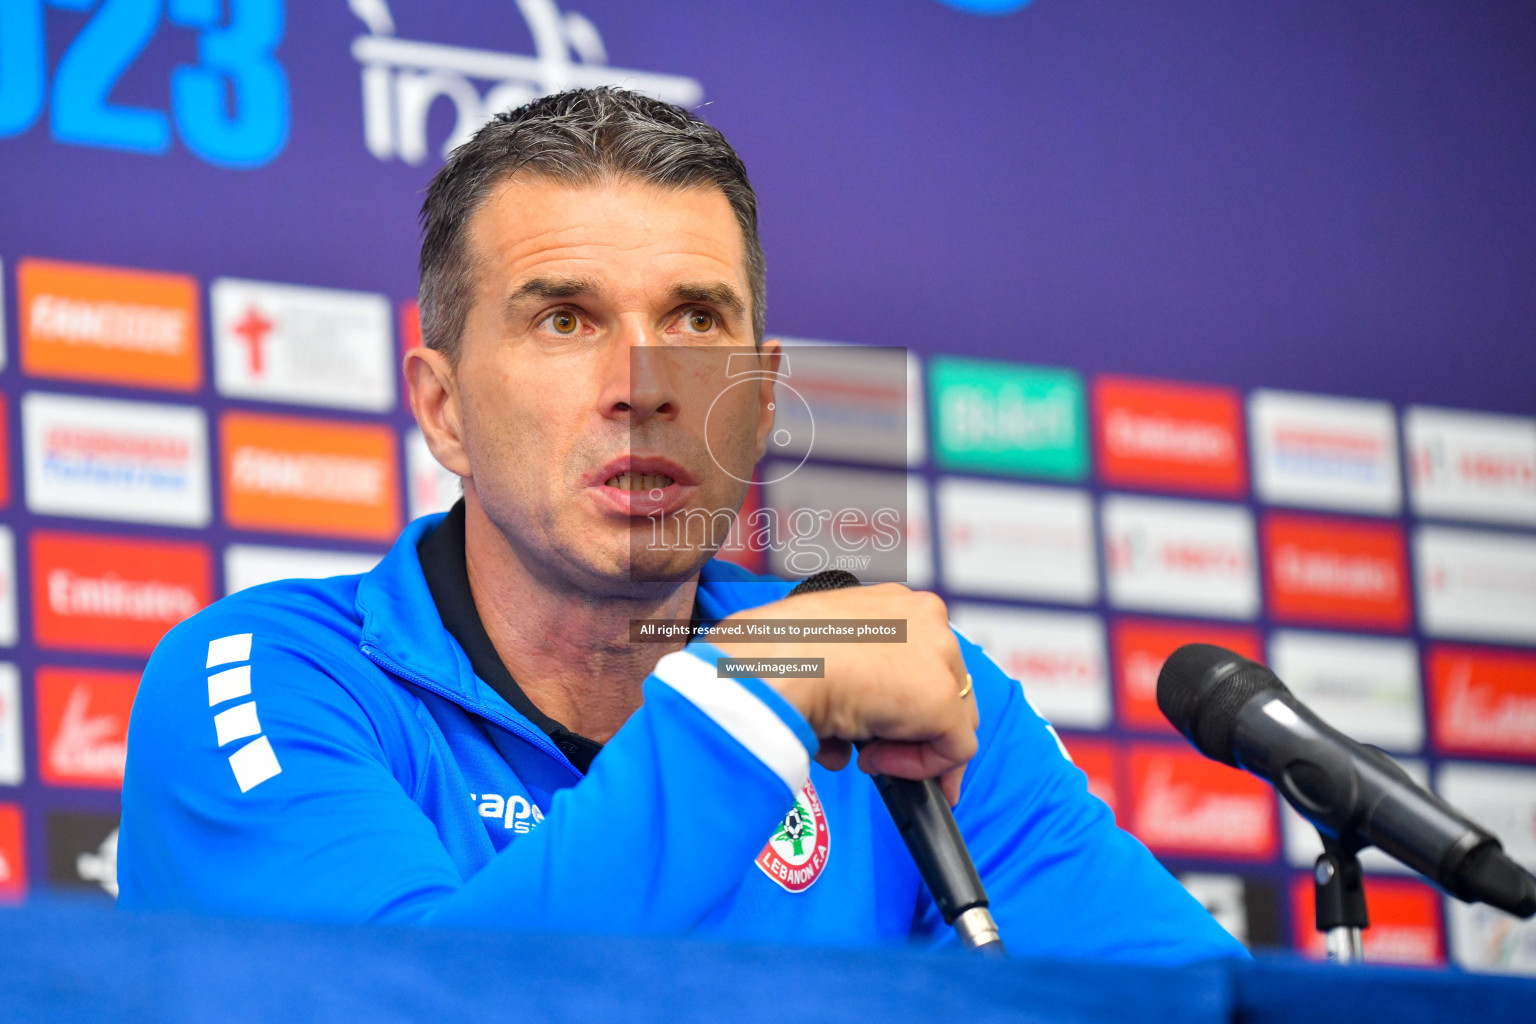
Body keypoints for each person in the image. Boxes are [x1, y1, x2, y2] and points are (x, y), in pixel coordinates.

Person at [119, 87, 1243, 962]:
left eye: (695, 320)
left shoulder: (896, 684)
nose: (643, 383)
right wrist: (760, 691)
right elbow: (416, 1001)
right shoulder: (264, 674)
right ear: (443, 406)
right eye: (564, 318)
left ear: (759, 400)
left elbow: (1188, 997)